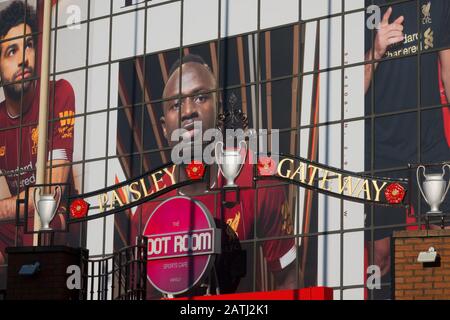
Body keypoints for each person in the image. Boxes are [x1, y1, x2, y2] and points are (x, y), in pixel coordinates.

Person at [130, 54, 297, 297]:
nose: (188, 111)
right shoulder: (147, 209)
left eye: (200, 97)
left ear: (218, 111)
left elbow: (288, 280)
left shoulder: (258, 180)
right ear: (165, 127)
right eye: (176, 104)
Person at [364, 0, 450, 297]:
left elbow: (448, 74)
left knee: (439, 248)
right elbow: (346, 91)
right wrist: (375, 51)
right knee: (381, 258)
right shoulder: (360, 7)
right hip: (380, 151)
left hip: (430, 145)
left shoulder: (439, 4)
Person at [0, 1, 76, 268]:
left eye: (28, 45)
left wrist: (5, 209)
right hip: (13, 232)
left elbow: (49, 193)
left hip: (50, 223)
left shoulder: (59, 94)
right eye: (12, 51)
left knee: (44, 218)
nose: (24, 58)